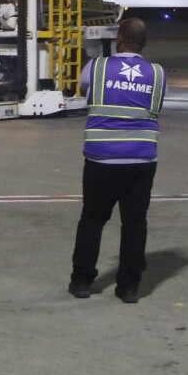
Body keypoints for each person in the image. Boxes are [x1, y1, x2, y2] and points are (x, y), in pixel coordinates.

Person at [69, 17, 166, 303]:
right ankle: (129, 287)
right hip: (141, 159)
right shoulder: (158, 74)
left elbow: (86, 91)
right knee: (135, 224)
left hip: (102, 158)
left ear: (119, 38)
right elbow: (156, 105)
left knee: (92, 220)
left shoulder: (97, 67)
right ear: (144, 44)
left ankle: (83, 281)